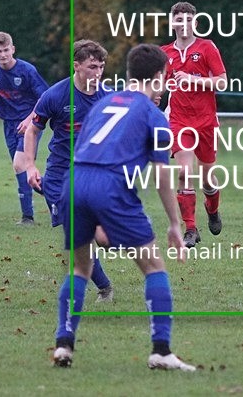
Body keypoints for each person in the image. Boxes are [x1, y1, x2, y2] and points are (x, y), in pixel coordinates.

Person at [52, 43, 194, 371]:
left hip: (74, 183)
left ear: (129, 73)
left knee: (79, 269)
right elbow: (161, 174)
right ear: (159, 76)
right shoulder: (153, 115)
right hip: (111, 186)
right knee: (154, 268)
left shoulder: (101, 104)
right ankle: (161, 350)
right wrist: (175, 224)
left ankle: (63, 345)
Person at [22, 39, 115, 302]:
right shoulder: (56, 95)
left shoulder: (107, 98)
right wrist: (30, 165)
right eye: (92, 66)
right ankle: (105, 288)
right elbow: (33, 129)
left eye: (101, 67)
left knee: (104, 238)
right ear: (76, 66)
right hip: (60, 176)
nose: (98, 73)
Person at [160, 2, 228, 248]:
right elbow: (156, 85)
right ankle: (190, 229)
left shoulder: (206, 47)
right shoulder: (164, 53)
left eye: (188, 20)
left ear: (195, 23)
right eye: (178, 20)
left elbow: (222, 82)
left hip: (207, 122)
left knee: (207, 179)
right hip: (179, 121)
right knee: (184, 172)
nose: (183, 24)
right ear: (173, 23)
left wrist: (193, 79)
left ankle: (213, 209)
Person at [0, 31, 49, 225]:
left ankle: (51, 199)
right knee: (22, 169)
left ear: (13, 50)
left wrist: (29, 120)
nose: (3, 54)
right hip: (9, 124)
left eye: (6, 50)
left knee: (20, 164)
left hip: (31, 125)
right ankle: (34, 211)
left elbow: (43, 99)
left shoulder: (27, 71)